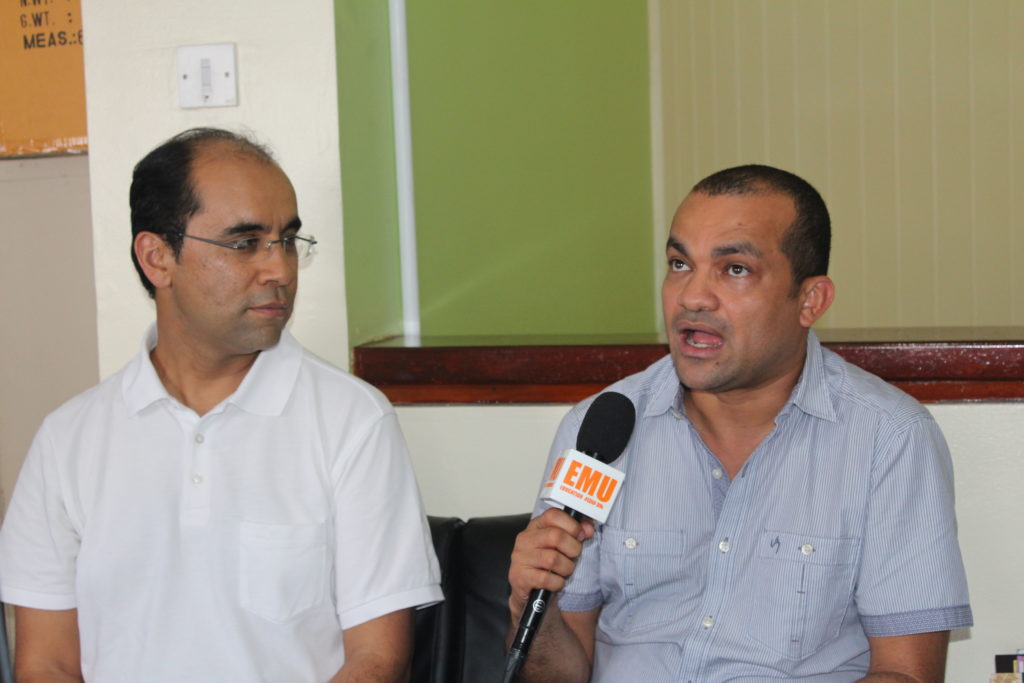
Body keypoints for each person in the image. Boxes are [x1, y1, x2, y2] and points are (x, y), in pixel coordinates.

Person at [0, 128, 442, 682]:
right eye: (245, 243)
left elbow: (377, 660)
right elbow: (47, 662)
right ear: (157, 258)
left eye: (288, 240)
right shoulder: (68, 439)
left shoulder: (352, 420)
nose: (280, 270)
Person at [508, 164, 972, 682]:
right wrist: (531, 604)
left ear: (810, 300)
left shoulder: (888, 438)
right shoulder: (602, 427)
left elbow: (907, 675)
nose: (692, 297)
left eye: (734, 269)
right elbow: (556, 677)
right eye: (680, 264)